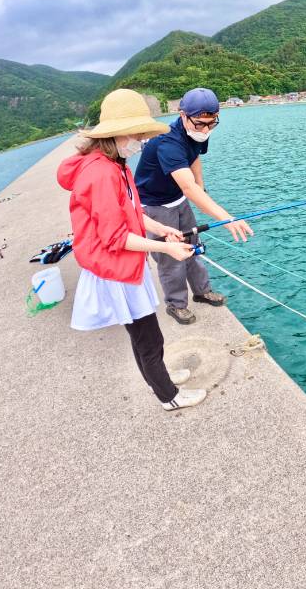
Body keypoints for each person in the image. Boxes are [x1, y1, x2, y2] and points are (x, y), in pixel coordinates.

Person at [57, 88, 206, 411]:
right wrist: (165, 248)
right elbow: (115, 237)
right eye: (137, 135)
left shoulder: (114, 164)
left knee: (145, 337)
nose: (141, 141)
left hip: (123, 265)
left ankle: (161, 379)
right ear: (117, 135)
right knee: (148, 340)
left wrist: (159, 228)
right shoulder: (100, 173)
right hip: (115, 270)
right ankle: (169, 397)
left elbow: (128, 211)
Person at [135, 87, 253, 325]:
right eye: (200, 124)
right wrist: (226, 217)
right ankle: (176, 304)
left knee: (193, 246)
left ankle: (202, 291)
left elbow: (195, 156)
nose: (205, 130)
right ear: (182, 115)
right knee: (171, 257)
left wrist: (202, 185)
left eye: (211, 124)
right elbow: (188, 187)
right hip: (156, 206)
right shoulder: (167, 141)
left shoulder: (198, 132)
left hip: (178, 199)